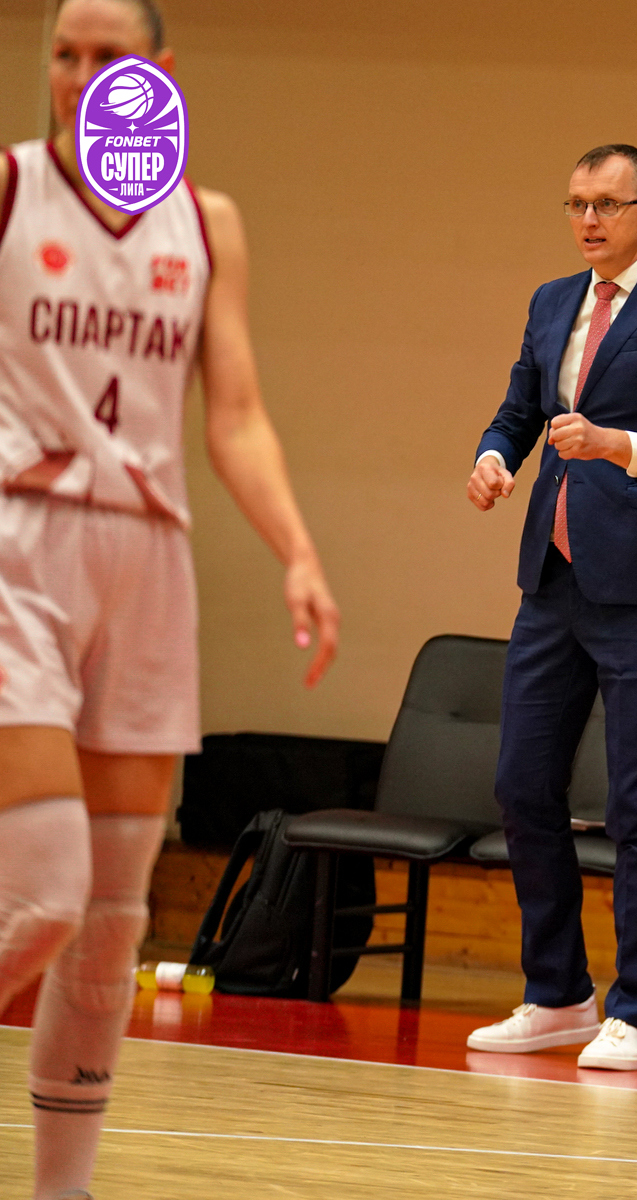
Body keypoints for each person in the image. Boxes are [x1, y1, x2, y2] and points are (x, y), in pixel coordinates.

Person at [0, 2, 340, 1196]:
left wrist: (297, 550)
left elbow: (233, 413)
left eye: (109, 57)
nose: (80, 74)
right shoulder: (10, 188)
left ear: (159, 73)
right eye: (63, 53)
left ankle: (63, 1189)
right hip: (19, 547)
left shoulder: (207, 222)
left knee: (109, 925)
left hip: (149, 563)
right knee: (40, 897)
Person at [462, 144, 637, 1071]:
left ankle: (633, 1012)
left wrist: (613, 443)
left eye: (607, 205)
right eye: (577, 203)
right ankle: (557, 994)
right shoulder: (551, 301)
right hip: (552, 578)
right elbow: (518, 413)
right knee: (521, 784)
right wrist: (494, 457)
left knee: (636, 803)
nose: (588, 220)